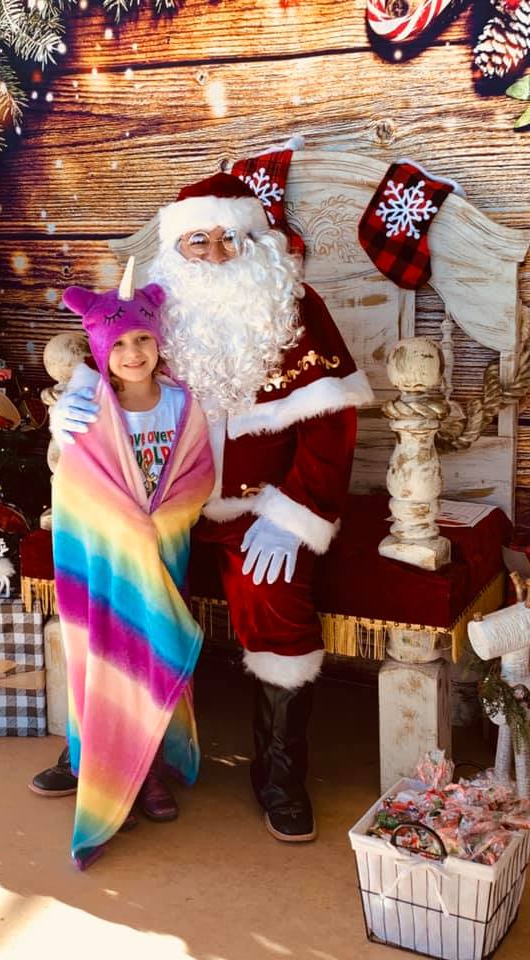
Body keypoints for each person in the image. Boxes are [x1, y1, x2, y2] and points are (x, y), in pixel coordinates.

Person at [41, 166, 374, 844]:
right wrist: (71, 405)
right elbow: (108, 359)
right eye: (199, 242)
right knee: (114, 587)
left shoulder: (297, 307)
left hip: (263, 511)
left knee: (273, 596)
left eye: (230, 239)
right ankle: (104, 753)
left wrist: (293, 513)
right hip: (164, 501)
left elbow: (333, 423)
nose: (217, 255)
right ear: (174, 251)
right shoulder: (156, 309)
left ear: (256, 243)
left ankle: (279, 771)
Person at [46, 259, 214, 868]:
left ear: (158, 340)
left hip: (162, 555)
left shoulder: (181, 404)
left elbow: (197, 478)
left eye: (144, 338)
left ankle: (153, 766)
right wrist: (57, 424)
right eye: (120, 344)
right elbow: (77, 486)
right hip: (108, 563)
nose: (134, 352)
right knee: (105, 660)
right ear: (101, 351)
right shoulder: (87, 403)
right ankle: (105, 765)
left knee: (150, 658)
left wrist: (153, 526)